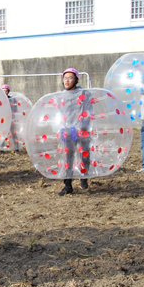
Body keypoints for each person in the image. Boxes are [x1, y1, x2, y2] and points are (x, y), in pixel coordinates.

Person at [57, 68, 91, 196]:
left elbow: (88, 110)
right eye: (65, 78)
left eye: (70, 78)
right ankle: (68, 185)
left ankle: (84, 175)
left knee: (84, 154)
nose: (67, 80)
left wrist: (83, 126)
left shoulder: (84, 94)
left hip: (81, 129)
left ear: (76, 79)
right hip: (67, 130)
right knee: (68, 157)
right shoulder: (61, 96)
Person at [1, 83, 20, 154]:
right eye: (3, 90)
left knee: (14, 134)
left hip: (12, 119)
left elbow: (15, 109)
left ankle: (16, 148)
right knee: (3, 133)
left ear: (8, 91)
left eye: (6, 91)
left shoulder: (12, 99)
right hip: (4, 119)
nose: (5, 92)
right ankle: (1, 149)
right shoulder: (0, 100)